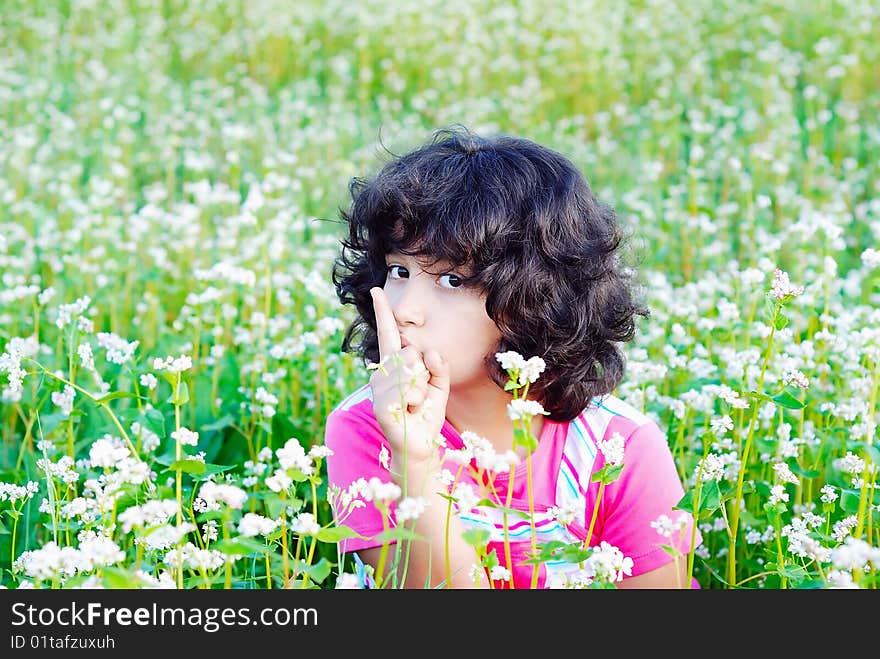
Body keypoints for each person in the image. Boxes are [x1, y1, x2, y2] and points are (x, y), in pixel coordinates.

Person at [324, 126, 701, 589]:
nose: (404, 311)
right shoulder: (368, 426)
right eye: (399, 271)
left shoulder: (618, 448)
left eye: (451, 281)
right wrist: (414, 463)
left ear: (534, 299)